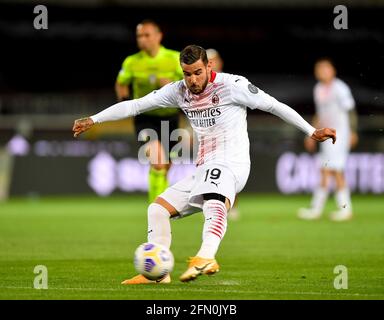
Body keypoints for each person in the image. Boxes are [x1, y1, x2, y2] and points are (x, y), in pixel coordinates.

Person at [73, 45, 336, 284]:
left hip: (232, 163)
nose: (193, 80)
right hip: (205, 167)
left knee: (213, 200)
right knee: (157, 209)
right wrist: (94, 119)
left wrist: (311, 131)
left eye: (198, 72)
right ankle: (157, 274)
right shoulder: (178, 91)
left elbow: (274, 106)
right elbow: (136, 105)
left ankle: (206, 255)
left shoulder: (233, 85)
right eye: (187, 74)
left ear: (209, 67)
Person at [115, 19, 183, 203]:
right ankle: (157, 209)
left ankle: (159, 204)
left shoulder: (175, 58)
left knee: (165, 166)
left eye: (146, 35)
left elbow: (191, 85)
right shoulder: (132, 62)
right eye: (139, 36)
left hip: (170, 118)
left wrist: (173, 86)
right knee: (158, 161)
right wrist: (126, 104)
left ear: (159, 36)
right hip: (144, 118)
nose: (142, 39)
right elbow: (121, 84)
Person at [298, 58, 357, 221]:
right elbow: (320, 114)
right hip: (326, 135)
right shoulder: (318, 89)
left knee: (334, 170)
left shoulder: (340, 87)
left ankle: (340, 209)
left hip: (340, 134)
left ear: (333, 70)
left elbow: (350, 110)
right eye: (319, 69)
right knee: (326, 169)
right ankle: (323, 209)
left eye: (325, 68)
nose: (322, 72)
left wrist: (353, 131)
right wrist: (311, 133)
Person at [206, 48, 240, 221]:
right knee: (210, 173)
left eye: (214, 60)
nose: (212, 64)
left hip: (230, 137)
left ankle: (232, 205)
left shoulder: (230, 83)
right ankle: (214, 207)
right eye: (209, 61)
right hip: (208, 138)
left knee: (230, 173)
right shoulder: (200, 85)